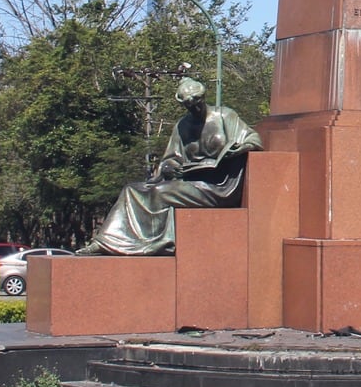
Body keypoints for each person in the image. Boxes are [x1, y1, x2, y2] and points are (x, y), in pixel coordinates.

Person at [80, 78, 262, 256]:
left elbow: (253, 139)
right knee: (131, 190)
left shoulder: (224, 115)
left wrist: (239, 149)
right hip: (190, 181)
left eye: (197, 102)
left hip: (219, 185)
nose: (195, 108)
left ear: (203, 98)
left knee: (161, 192)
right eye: (189, 105)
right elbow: (171, 158)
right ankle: (105, 242)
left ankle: (158, 242)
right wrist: (169, 167)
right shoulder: (182, 125)